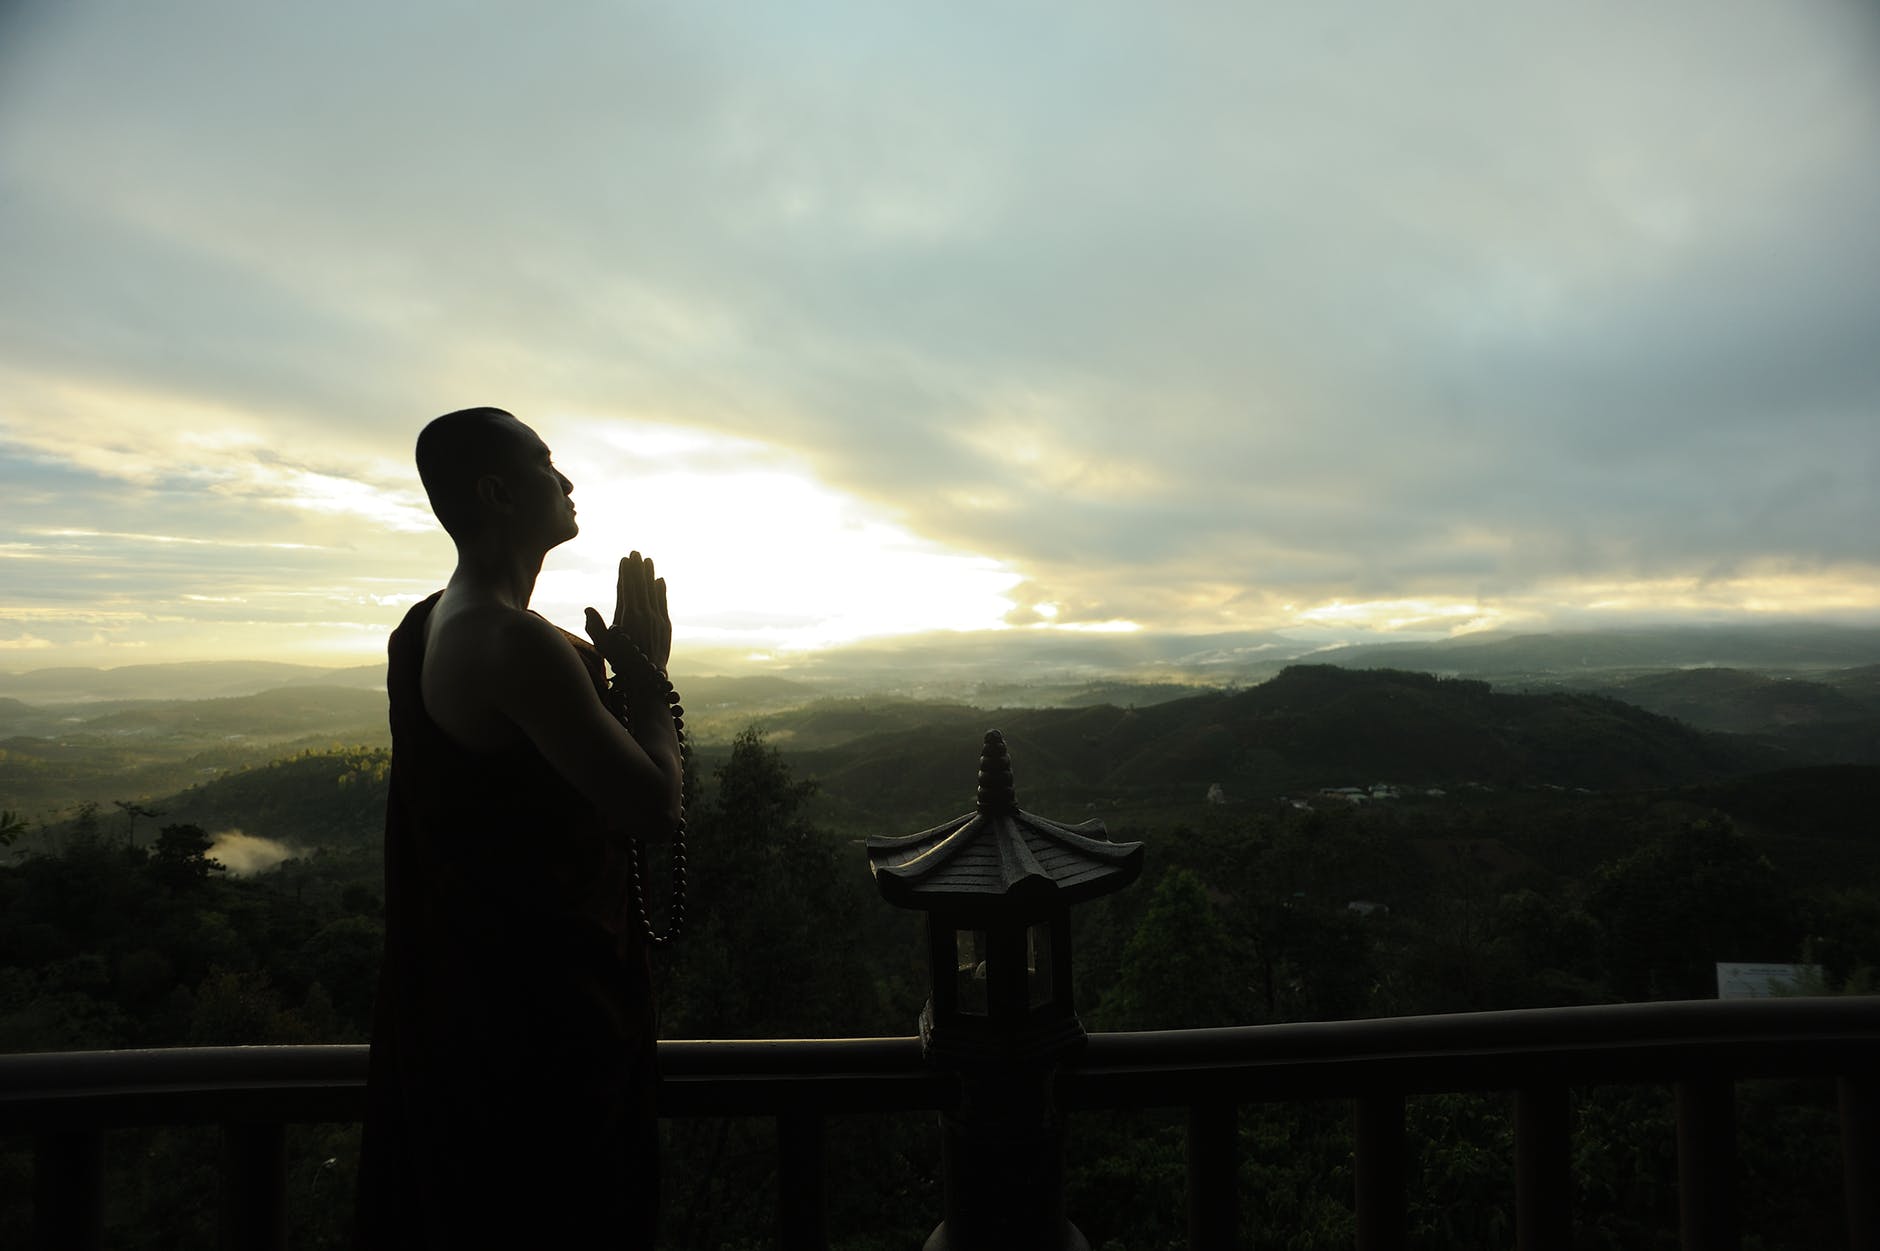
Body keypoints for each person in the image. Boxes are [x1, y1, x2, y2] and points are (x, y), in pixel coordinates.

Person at [355, 407, 682, 1249]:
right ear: (498, 492)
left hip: (462, 1017)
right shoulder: (512, 643)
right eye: (546, 463)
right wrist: (649, 683)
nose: (566, 480)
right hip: (540, 1041)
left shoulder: (428, 625)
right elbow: (651, 805)